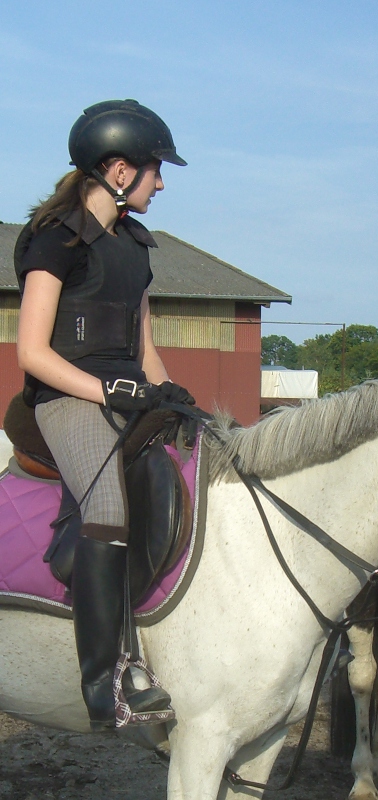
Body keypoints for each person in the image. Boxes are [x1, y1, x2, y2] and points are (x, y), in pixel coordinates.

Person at [14, 99, 195, 728]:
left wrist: (172, 395)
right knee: (109, 507)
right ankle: (104, 682)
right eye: (156, 169)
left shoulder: (136, 245)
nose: (161, 183)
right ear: (120, 171)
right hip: (67, 399)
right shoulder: (54, 238)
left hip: (130, 394)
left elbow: (144, 347)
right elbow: (32, 352)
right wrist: (106, 391)